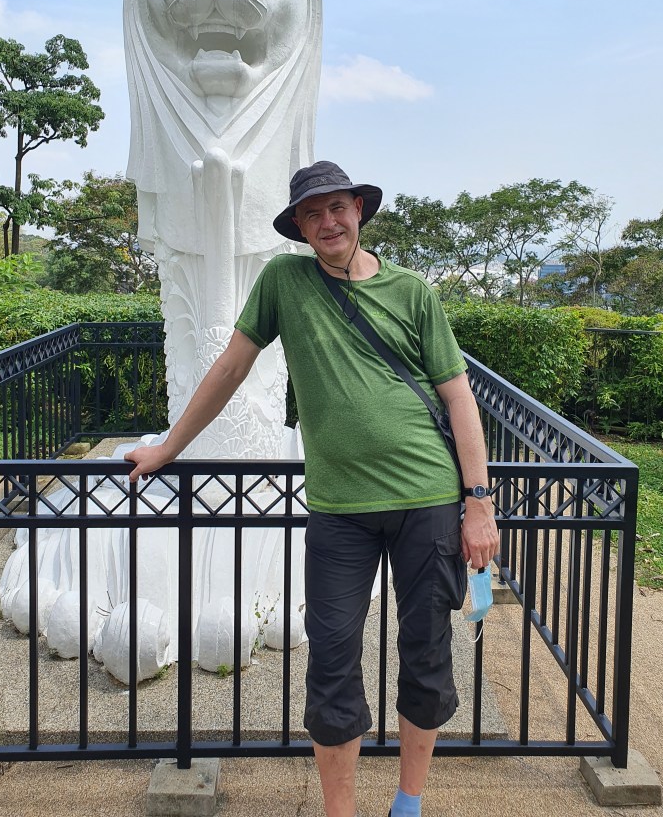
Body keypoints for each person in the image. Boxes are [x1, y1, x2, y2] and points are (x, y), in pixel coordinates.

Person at [125, 160, 500, 817]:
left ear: (359, 210)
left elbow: (458, 398)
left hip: (427, 501)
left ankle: (408, 803)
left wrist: (478, 503)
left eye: (337, 208)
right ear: (299, 226)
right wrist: (169, 447)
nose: (328, 222)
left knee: (426, 654)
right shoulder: (285, 282)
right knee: (330, 664)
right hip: (340, 512)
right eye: (313, 213)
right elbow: (230, 368)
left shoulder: (412, 291)